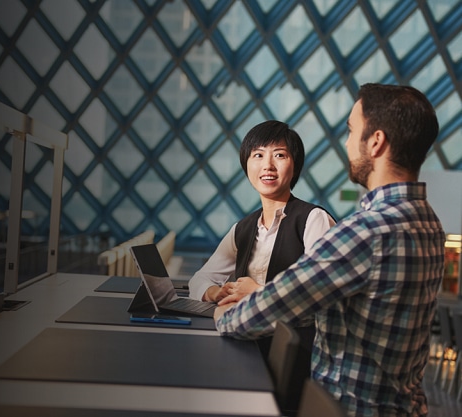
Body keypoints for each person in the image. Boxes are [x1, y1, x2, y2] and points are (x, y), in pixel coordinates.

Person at [214, 83, 445, 417]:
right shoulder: (428, 222)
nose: (347, 142)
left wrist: (224, 312)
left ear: (376, 142)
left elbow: (254, 316)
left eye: (352, 131)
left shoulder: (366, 232)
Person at [189, 120, 335, 410]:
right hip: (243, 349)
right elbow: (199, 280)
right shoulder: (243, 228)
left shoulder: (313, 220)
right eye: (258, 155)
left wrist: (258, 291)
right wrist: (216, 293)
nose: (267, 165)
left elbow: (320, 300)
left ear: (295, 165)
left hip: (294, 361)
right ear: (247, 165)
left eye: (279, 155)